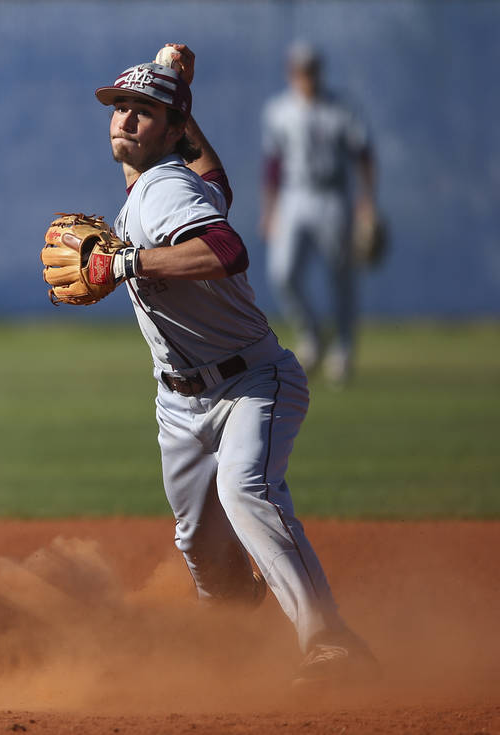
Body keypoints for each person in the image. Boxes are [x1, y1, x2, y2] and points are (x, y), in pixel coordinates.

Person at [44, 44, 376, 687]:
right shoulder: (165, 185)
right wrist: (172, 91)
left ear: (167, 130)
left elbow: (226, 248)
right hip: (179, 404)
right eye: (119, 108)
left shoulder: (162, 189)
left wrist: (124, 264)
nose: (124, 120)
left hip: (252, 382)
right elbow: (216, 183)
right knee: (207, 559)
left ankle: (332, 642)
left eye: (143, 112)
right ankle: (234, 658)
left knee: (246, 491)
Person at [260, 41, 377, 383]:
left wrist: (367, 201)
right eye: (300, 69)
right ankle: (311, 334)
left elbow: (364, 155)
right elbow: (272, 165)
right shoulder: (278, 110)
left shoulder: (342, 109)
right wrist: (270, 210)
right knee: (282, 273)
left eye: (310, 69)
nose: (305, 75)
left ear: (319, 71)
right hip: (293, 196)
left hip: (333, 196)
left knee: (342, 277)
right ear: (291, 72)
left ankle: (342, 350)